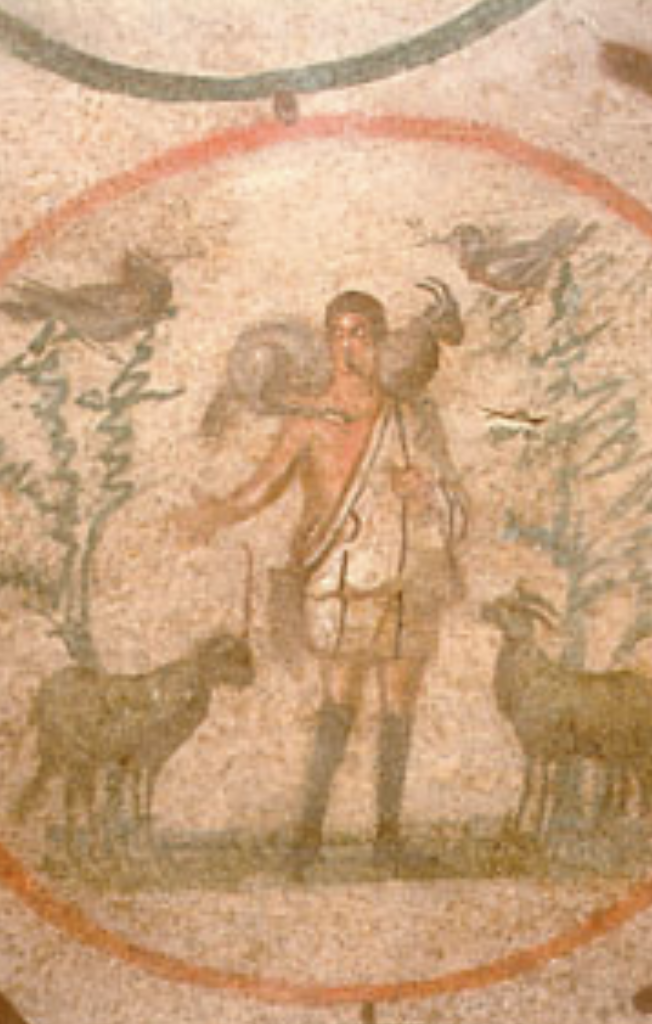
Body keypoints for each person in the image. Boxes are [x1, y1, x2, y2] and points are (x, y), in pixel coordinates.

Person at [176, 290, 467, 877]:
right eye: (339, 333)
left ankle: (388, 842)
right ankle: (306, 841)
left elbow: (456, 501)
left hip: (410, 580)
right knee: (339, 703)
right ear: (327, 341)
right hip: (341, 578)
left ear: (380, 342)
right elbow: (263, 486)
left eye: (361, 333)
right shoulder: (308, 420)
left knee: (399, 706)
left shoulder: (411, 417)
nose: (348, 346)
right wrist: (216, 513)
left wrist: (427, 492)